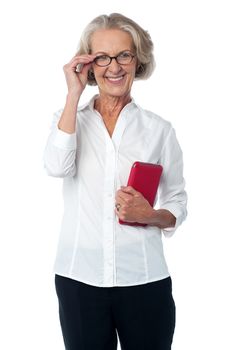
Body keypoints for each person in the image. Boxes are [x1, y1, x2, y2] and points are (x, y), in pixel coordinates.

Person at [44, 12, 187, 350]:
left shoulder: (159, 130)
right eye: (102, 57)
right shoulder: (68, 120)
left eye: (124, 54)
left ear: (137, 60)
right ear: (89, 65)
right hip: (79, 278)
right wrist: (72, 95)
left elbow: (178, 203)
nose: (114, 67)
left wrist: (149, 214)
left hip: (144, 278)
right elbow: (56, 165)